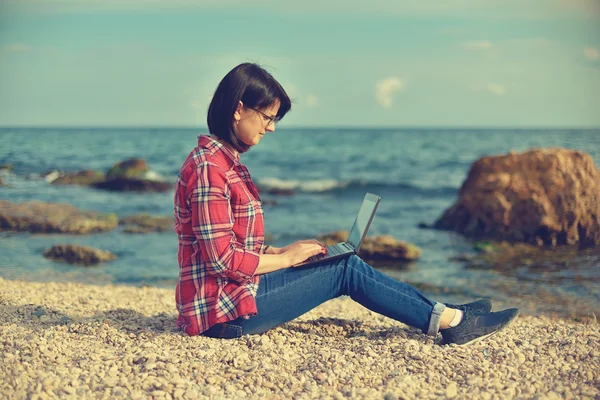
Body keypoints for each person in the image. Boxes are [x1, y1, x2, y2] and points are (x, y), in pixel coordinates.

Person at [173, 62, 518, 345]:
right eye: (267, 117)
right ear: (239, 110)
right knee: (343, 269)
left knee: (338, 261)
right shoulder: (210, 169)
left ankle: (443, 311)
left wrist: (281, 253)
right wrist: (289, 259)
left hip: (232, 296)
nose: (272, 128)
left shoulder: (223, 164)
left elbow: (230, 242)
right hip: (221, 313)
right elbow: (221, 260)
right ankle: (452, 321)